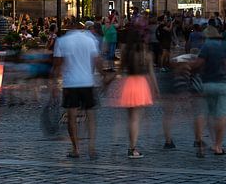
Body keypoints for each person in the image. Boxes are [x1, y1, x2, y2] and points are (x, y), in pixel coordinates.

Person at [50, 19, 100, 159]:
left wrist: (54, 84)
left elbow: (57, 65)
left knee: (71, 117)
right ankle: (91, 148)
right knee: (90, 116)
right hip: (87, 81)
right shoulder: (90, 39)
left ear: (69, 28)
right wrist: (103, 75)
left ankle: (76, 148)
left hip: (71, 83)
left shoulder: (62, 41)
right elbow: (96, 61)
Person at [111, 28, 156, 158]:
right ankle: (132, 147)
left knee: (131, 118)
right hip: (141, 84)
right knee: (136, 119)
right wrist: (156, 89)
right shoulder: (145, 53)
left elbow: (119, 71)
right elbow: (151, 73)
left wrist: (107, 81)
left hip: (129, 84)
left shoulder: (127, 53)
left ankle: (131, 145)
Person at [193, 26, 226, 156]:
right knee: (221, 116)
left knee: (203, 114)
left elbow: (198, 64)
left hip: (207, 83)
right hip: (224, 84)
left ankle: (200, 142)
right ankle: (218, 146)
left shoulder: (206, 46)